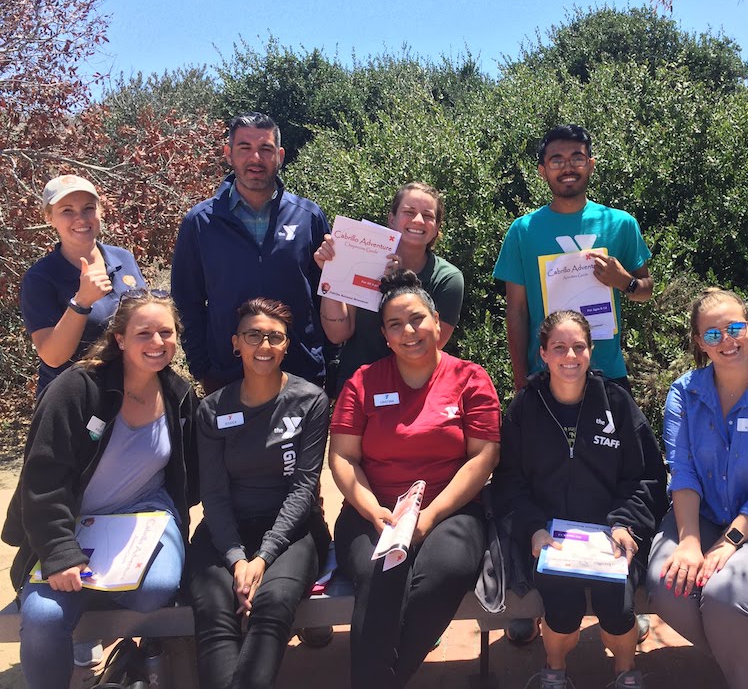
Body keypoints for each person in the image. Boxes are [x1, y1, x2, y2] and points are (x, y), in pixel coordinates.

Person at [2, 290, 198, 689]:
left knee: (156, 588)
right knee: (43, 620)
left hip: (144, 513)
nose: (158, 343)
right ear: (120, 337)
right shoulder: (77, 389)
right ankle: (79, 627)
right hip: (71, 522)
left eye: (166, 332)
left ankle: (119, 648)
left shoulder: (179, 395)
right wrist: (58, 554)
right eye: (144, 333)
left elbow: (190, 475)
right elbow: (43, 479)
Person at [329, 269, 500, 688]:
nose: (409, 331)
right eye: (395, 324)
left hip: (450, 511)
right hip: (374, 512)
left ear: (438, 322)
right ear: (384, 335)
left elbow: (483, 457)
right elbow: (343, 458)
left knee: (442, 574)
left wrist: (431, 515)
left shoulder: (470, 378)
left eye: (417, 319)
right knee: (380, 575)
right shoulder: (363, 382)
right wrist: (375, 511)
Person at [646, 287, 748, 689]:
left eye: (735, 327)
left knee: (726, 595)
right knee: (667, 583)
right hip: (699, 518)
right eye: (713, 334)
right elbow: (682, 469)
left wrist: (730, 541)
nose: (727, 340)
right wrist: (688, 540)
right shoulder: (684, 393)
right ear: (699, 342)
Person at [493, 310, 666, 689]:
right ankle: (555, 672)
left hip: (611, 536)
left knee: (617, 606)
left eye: (578, 347)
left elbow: (647, 476)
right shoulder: (526, 406)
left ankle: (625, 674)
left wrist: (627, 525)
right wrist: (534, 529)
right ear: (543, 354)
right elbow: (508, 480)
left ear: (590, 352)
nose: (569, 356)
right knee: (561, 604)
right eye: (559, 348)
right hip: (550, 539)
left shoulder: (617, 403)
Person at [187, 298, 331, 689]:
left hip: (293, 532)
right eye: (253, 335)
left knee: (272, 604)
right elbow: (213, 494)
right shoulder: (213, 409)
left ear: (286, 346)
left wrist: (263, 558)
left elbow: (303, 489)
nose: (263, 346)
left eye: (275, 337)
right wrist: (237, 559)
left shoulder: (310, 401)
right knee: (216, 612)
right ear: (236, 343)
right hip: (225, 531)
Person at [172, 112, 331, 395]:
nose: (255, 158)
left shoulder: (308, 216)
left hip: (300, 372)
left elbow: (328, 294)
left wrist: (326, 361)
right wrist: (203, 369)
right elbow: (187, 303)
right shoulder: (200, 222)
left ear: (279, 155)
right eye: (245, 148)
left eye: (266, 149)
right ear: (229, 154)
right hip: (227, 376)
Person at [493, 124, 653, 393]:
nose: (567, 167)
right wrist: (521, 381)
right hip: (544, 375)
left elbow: (645, 291)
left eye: (577, 158)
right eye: (557, 160)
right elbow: (517, 310)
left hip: (608, 375)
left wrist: (625, 282)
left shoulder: (621, 223)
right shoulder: (523, 230)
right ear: (542, 171)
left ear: (590, 164)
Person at [315, 181, 463, 394]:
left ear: (437, 228)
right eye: (409, 212)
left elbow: (426, 349)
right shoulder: (364, 258)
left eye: (428, 216)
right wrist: (333, 272)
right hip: (357, 389)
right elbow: (337, 334)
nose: (418, 220)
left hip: (411, 394)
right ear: (392, 219)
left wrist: (396, 285)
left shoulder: (447, 278)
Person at [20, 174, 146, 398]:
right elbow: (53, 356)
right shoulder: (41, 277)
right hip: (72, 402)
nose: (80, 218)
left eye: (88, 208)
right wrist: (81, 303)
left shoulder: (123, 258)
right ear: (49, 217)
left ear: (100, 211)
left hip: (127, 393)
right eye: (67, 210)